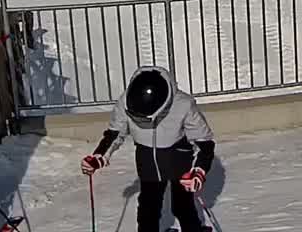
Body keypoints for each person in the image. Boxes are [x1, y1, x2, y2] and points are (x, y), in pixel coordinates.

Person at [81, 65, 216, 232]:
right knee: (148, 209)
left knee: (182, 206)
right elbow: (115, 132)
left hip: (178, 156)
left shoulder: (183, 104)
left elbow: (204, 142)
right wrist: (99, 156)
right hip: (147, 158)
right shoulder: (126, 101)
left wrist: (198, 172)